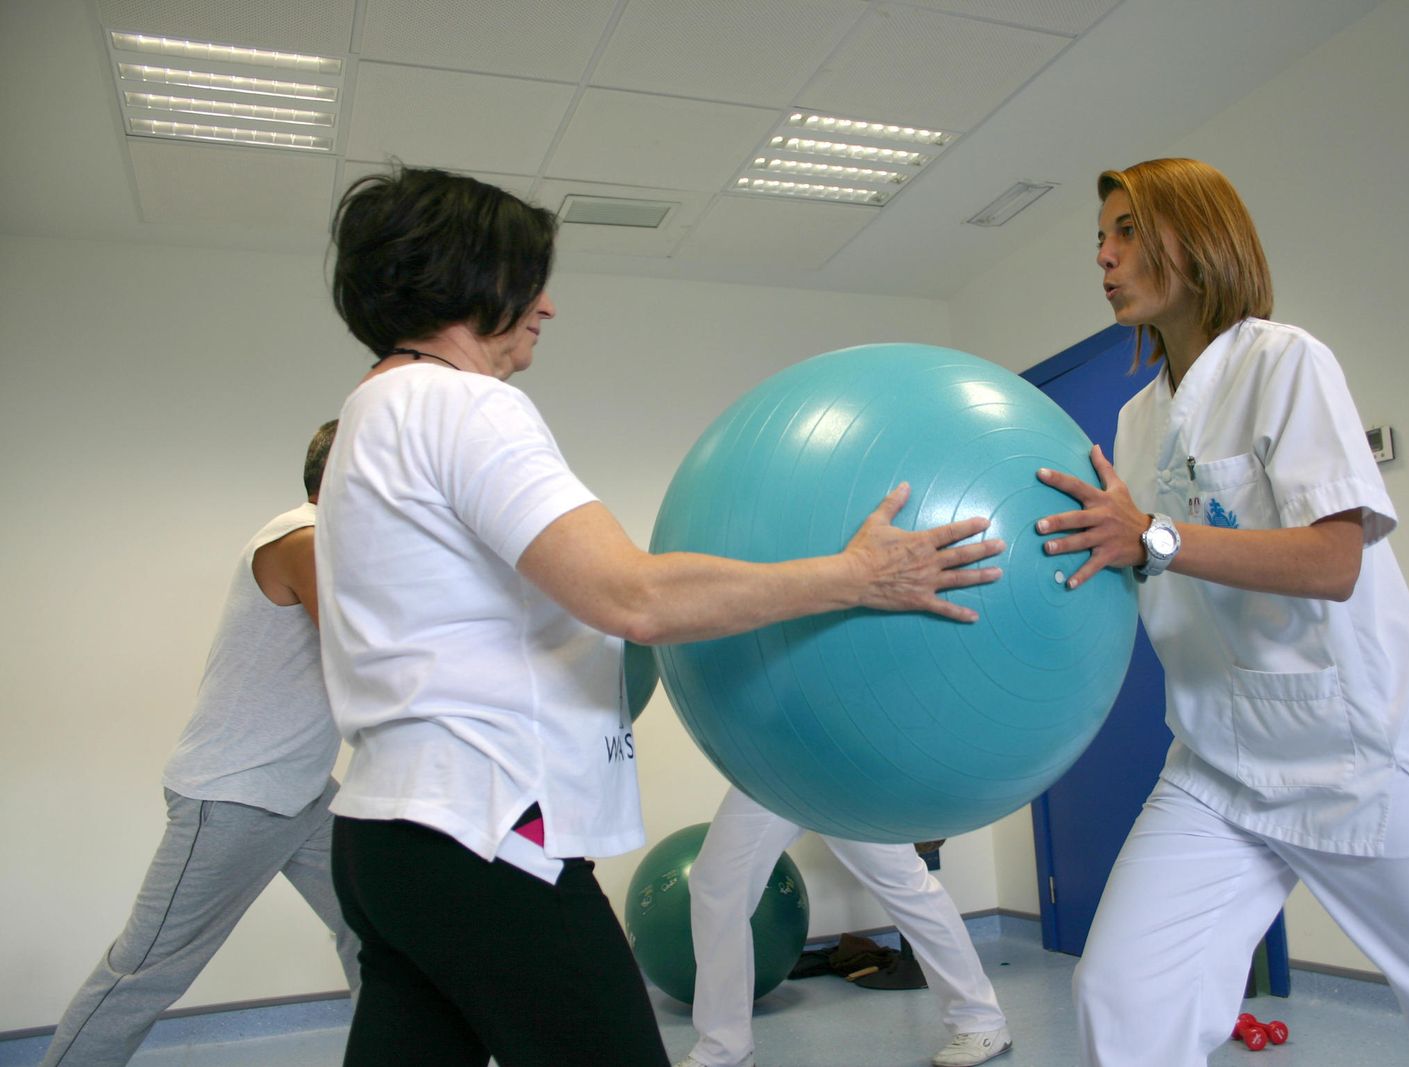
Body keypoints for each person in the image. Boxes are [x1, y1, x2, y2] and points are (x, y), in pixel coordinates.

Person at [316, 165, 1005, 1067]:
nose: (547, 305)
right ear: (469, 278)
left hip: (386, 836)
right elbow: (634, 597)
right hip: (485, 829)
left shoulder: (370, 412)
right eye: (529, 279)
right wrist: (856, 576)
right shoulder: (464, 404)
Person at [1032, 157, 1409, 1067]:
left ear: (1197, 236)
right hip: (1218, 762)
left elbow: (1333, 561)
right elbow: (1138, 563)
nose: (1105, 255)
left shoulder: (1285, 363)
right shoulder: (1135, 422)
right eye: (1099, 237)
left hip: (1361, 751)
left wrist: (1155, 537)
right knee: (1124, 995)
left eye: (1128, 230)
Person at [40, 420, 359, 1067]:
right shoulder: (299, 538)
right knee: (145, 971)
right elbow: (367, 654)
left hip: (301, 794)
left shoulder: (338, 549)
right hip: (233, 795)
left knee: (379, 931)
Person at [676, 787, 1011, 1067]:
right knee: (715, 883)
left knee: (902, 884)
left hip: (841, 761)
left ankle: (980, 1020)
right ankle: (724, 1047)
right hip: (770, 760)